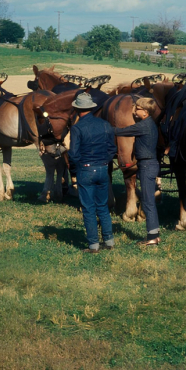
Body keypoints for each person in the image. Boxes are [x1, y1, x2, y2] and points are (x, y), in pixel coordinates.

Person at [67, 92, 117, 253]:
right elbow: (112, 149)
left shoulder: (77, 128)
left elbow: (73, 154)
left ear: (76, 109)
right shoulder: (105, 124)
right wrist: (104, 161)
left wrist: (77, 168)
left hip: (86, 169)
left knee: (88, 208)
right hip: (103, 168)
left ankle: (93, 245)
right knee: (102, 206)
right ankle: (109, 241)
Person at [114, 97, 162, 246]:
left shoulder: (143, 126)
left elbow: (121, 131)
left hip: (147, 166)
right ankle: (154, 235)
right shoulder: (150, 123)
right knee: (148, 200)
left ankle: (152, 237)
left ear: (145, 112)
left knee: (148, 202)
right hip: (149, 164)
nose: (135, 111)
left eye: (138, 109)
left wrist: (104, 128)